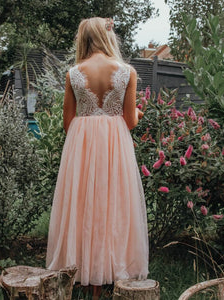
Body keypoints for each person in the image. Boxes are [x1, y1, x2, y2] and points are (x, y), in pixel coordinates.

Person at [46, 17, 149, 300]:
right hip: (116, 146)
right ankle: (108, 273)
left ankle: (83, 273)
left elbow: (68, 122)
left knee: (82, 206)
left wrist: (88, 126)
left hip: (81, 146)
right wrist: (138, 113)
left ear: (83, 39)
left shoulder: (73, 73)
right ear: (108, 37)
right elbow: (129, 120)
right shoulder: (127, 72)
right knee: (113, 205)